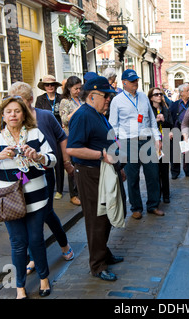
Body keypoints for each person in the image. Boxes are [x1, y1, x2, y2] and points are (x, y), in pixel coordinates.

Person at [0, 96, 56, 298]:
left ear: (24, 115)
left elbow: (52, 160)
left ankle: (43, 278)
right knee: (18, 242)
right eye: (8, 111)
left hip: (36, 196)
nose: (13, 114)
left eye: (17, 111)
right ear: (2, 116)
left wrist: (37, 156)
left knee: (36, 239)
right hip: (8, 199)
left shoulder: (35, 133)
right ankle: (20, 286)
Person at [7, 82, 75, 274]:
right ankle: (33, 256)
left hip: (45, 172)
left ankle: (63, 244)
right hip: (21, 175)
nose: (15, 108)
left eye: (20, 101)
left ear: (30, 100)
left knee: (46, 213)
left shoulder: (44, 116)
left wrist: (67, 161)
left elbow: (62, 136)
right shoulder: (12, 119)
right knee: (24, 213)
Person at [66, 76, 126, 281]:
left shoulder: (97, 113)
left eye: (110, 96)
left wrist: (118, 167)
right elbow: (72, 149)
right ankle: (98, 265)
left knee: (108, 214)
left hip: (106, 171)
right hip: (91, 173)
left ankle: (104, 253)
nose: (109, 99)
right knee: (97, 219)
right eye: (105, 96)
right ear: (91, 96)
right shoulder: (83, 115)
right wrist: (102, 155)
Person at [109, 69, 164, 219]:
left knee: (152, 174)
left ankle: (153, 205)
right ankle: (136, 207)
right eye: (132, 81)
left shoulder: (143, 97)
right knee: (132, 177)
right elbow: (113, 125)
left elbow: (151, 120)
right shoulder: (117, 100)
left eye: (136, 80)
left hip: (146, 139)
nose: (135, 83)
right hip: (128, 142)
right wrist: (118, 144)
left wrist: (157, 139)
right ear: (124, 83)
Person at [35, 75, 65, 200]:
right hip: (45, 133)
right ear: (44, 87)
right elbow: (37, 115)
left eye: (52, 84)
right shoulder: (40, 99)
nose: (50, 87)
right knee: (45, 161)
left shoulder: (61, 98)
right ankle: (48, 188)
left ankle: (59, 189)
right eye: (47, 85)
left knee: (59, 162)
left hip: (58, 132)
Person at [59, 76, 82, 206]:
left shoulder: (82, 100)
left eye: (80, 88)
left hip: (83, 136)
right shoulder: (65, 102)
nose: (78, 91)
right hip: (71, 137)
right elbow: (65, 120)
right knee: (73, 165)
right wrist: (78, 110)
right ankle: (74, 194)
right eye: (75, 88)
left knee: (81, 164)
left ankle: (82, 191)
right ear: (69, 88)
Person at [149, 87, 173, 203]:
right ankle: (157, 194)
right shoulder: (149, 111)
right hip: (153, 145)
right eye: (156, 94)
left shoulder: (165, 110)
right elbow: (146, 127)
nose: (159, 96)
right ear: (151, 97)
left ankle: (166, 195)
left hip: (165, 144)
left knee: (164, 170)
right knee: (154, 172)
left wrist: (164, 121)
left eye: (160, 94)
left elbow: (171, 125)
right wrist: (156, 121)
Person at [169, 83, 189, 179]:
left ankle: (188, 171)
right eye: (188, 90)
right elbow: (170, 118)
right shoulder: (174, 105)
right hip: (176, 129)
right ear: (182, 93)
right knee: (175, 152)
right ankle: (175, 172)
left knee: (188, 151)